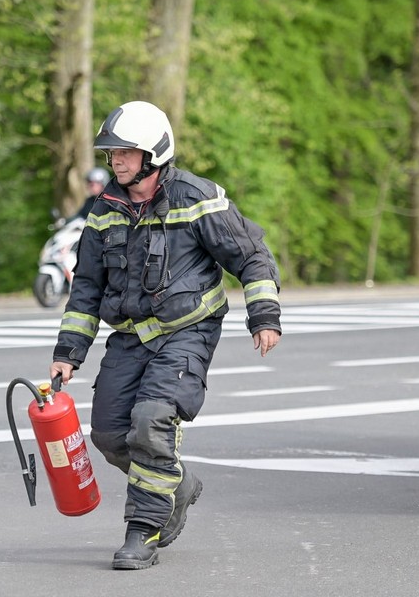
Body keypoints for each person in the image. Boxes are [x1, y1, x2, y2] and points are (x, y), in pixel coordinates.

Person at [48, 100, 282, 570]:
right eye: (111, 153)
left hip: (188, 330)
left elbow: (252, 257)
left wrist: (263, 315)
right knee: (111, 434)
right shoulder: (102, 210)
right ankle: (177, 484)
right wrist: (68, 352)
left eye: (125, 153)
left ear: (154, 154)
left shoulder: (199, 199)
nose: (115, 161)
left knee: (152, 421)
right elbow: (88, 287)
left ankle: (143, 530)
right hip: (131, 336)